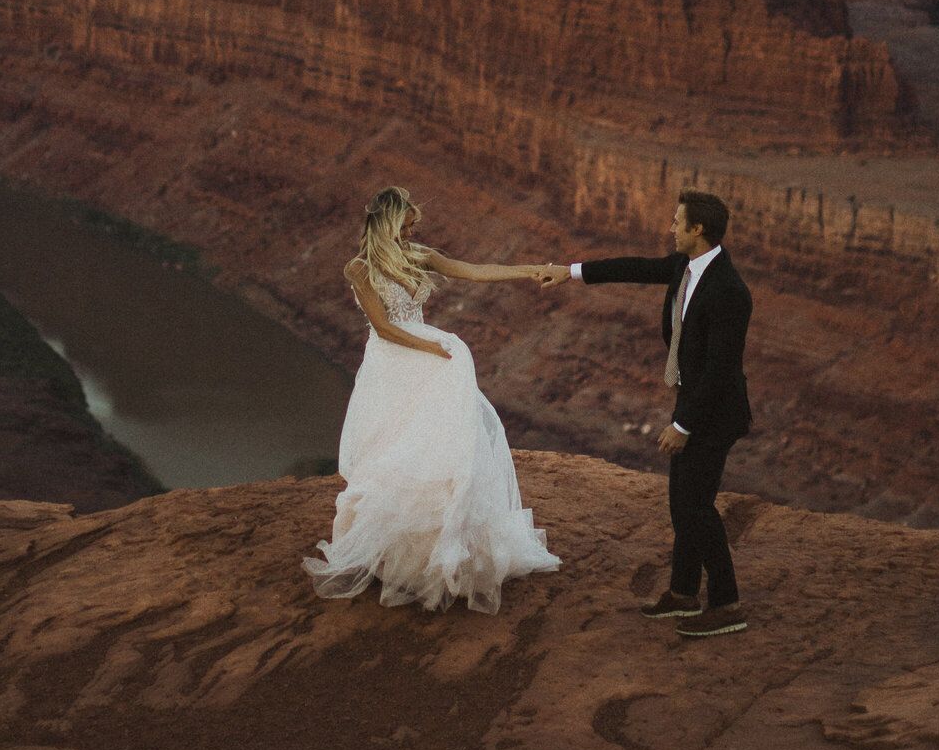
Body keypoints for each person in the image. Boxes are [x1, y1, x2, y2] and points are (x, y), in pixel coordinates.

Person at [304, 185, 560, 614]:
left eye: (413, 228)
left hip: (430, 352)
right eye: (406, 228)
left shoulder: (419, 255)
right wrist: (433, 351)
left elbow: (475, 271)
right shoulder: (359, 268)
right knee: (394, 454)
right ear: (388, 225)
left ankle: (439, 553)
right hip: (394, 364)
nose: (410, 235)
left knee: (442, 451)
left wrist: (534, 268)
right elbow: (383, 328)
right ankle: (394, 554)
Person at [539, 190, 752, 637]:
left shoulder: (729, 291)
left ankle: (728, 603)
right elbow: (635, 267)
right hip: (693, 401)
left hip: (713, 413)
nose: (670, 228)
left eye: (677, 222)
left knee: (695, 506)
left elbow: (720, 371)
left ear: (698, 230)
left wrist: (682, 425)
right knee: (683, 504)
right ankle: (682, 593)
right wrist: (570, 273)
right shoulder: (686, 267)